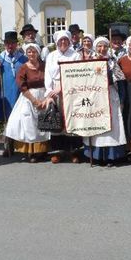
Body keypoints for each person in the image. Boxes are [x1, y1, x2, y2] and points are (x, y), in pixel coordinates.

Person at [82, 37, 127, 166]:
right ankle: (96, 155)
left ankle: (111, 156)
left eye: (105, 47)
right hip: (94, 96)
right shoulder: (89, 61)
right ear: (95, 47)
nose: (102, 49)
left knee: (111, 125)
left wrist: (122, 99)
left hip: (110, 95)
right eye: (99, 46)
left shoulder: (112, 61)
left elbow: (121, 80)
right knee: (96, 123)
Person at [5, 43, 51, 162]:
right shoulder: (24, 68)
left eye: (34, 51)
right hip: (29, 97)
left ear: (38, 53)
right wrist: (34, 100)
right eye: (29, 52)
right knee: (29, 124)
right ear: (27, 53)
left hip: (44, 95)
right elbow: (22, 86)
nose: (31, 54)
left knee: (43, 124)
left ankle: (42, 151)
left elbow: (50, 81)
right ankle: (31, 152)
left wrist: (46, 98)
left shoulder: (44, 66)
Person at [44, 30, 82, 163]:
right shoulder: (51, 56)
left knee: (71, 121)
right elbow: (47, 75)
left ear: (70, 41)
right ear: (56, 42)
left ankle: (74, 152)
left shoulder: (76, 55)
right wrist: (49, 92)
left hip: (71, 90)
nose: (63, 42)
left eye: (65, 40)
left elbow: (77, 74)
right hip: (54, 90)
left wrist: (63, 87)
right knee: (56, 120)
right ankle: (57, 152)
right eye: (60, 40)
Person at [0, 31, 27, 156]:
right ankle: (8, 146)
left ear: (16, 44)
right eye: (7, 43)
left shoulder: (23, 59)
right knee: (8, 121)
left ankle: (22, 146)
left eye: (12, 43)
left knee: (21, 120)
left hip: (20, 95)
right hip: (6, 95)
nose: (10, 46)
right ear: (5, 44)